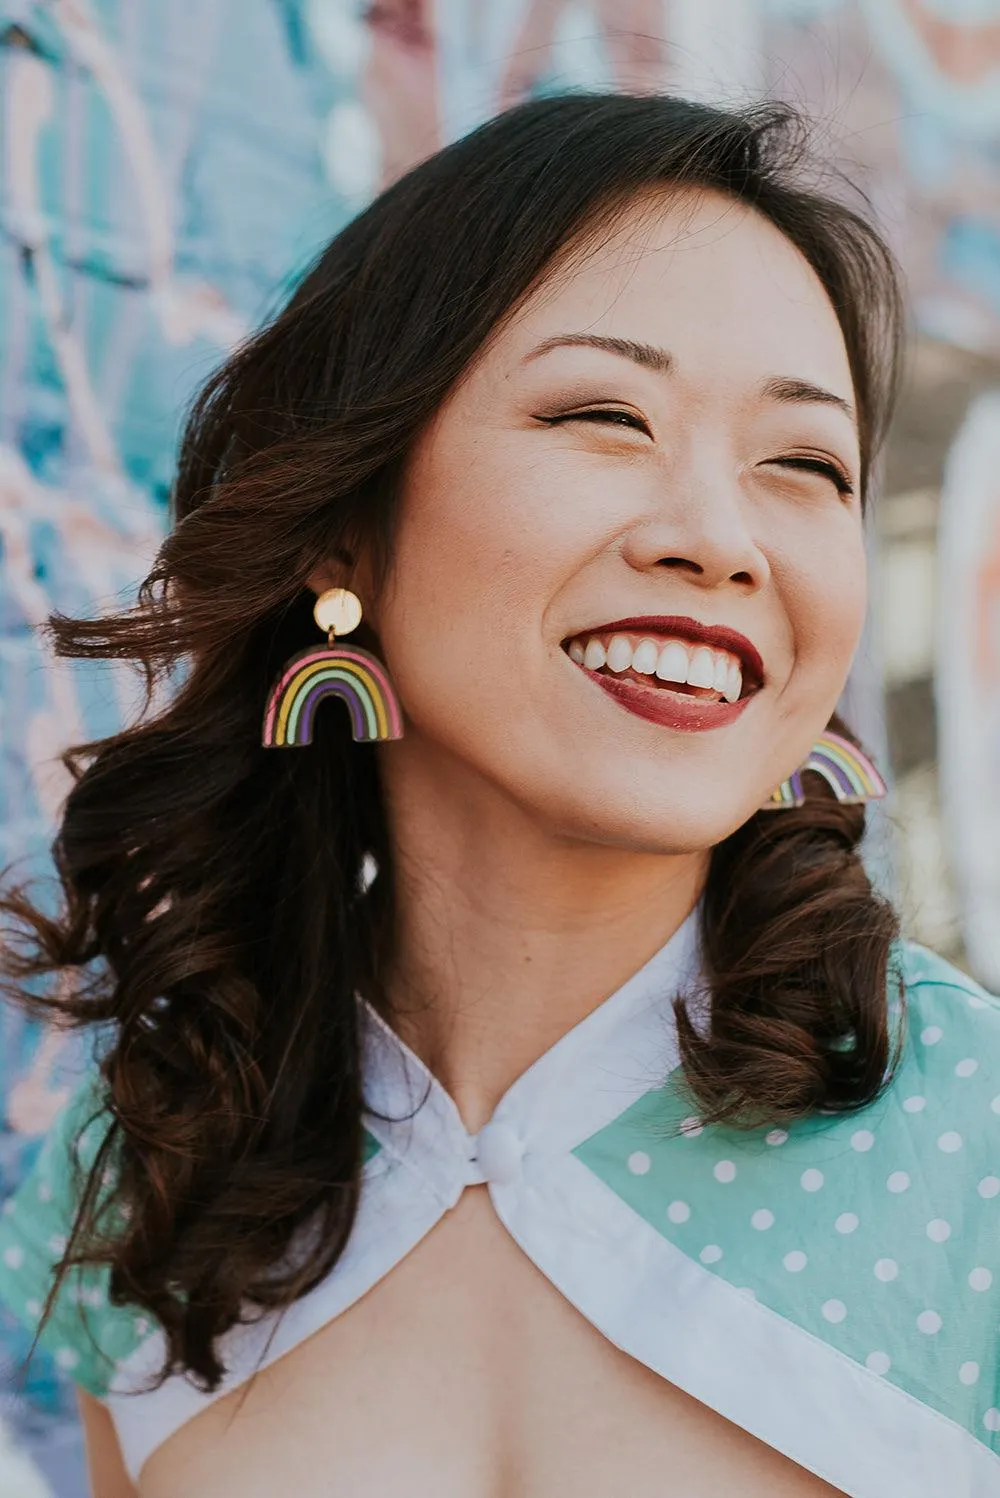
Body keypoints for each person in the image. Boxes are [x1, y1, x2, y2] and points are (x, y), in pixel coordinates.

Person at [0, 90, 997, 1498]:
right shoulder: (157, 1158)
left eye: (804, 463)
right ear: (349, 519)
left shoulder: (975, 1151)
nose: (719, 538)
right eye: (605, 413)